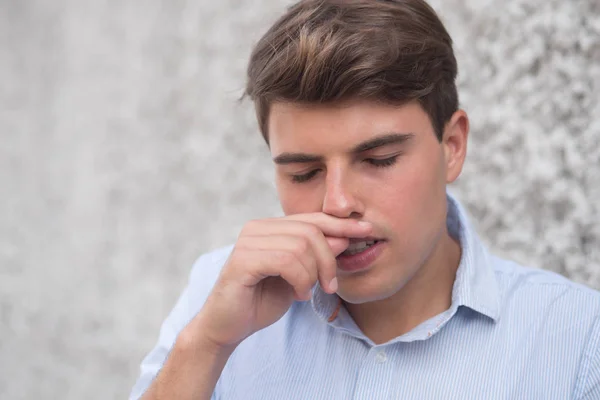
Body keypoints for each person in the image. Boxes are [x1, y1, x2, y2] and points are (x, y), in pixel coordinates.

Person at [130, 0, 600, 399]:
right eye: (304, 172)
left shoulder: (577, 340)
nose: (337, 203)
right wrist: (206, 345)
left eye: (379, 160)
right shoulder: (217, 295)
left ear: (452, 146)